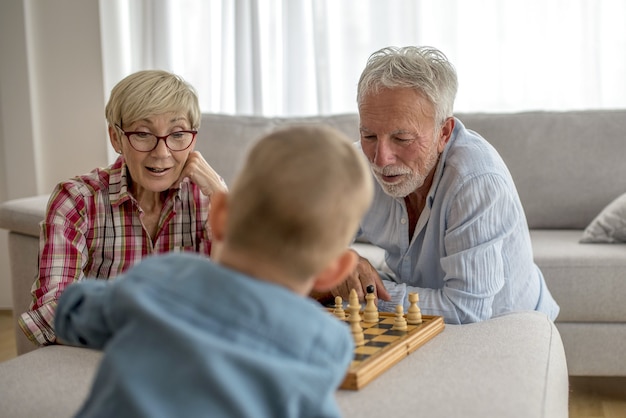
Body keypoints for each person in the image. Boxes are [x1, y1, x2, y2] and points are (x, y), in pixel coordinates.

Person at [54, 125, 373, 418]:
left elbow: (74, 312)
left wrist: (85, 302)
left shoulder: (159, 276)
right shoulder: (323, 342)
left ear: (219, 215)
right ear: (336, 270)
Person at [316, 46, 560, 324]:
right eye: (369, 135)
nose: (381, 159)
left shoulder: (476, 180)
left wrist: (358, 293)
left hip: (507, 327)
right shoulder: (355, 165)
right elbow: (298, 249)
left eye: (402, 139)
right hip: (422, 315)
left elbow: (464, 310)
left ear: (443, 133)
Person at [19, 70, 227, 346]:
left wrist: (223, 199)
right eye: (142, 133)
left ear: (193, 139)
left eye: (177, 134)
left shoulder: (207, 198)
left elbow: (246, 298)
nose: (162, 152)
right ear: (116, 138)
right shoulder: (77, 200)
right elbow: (52, 312)